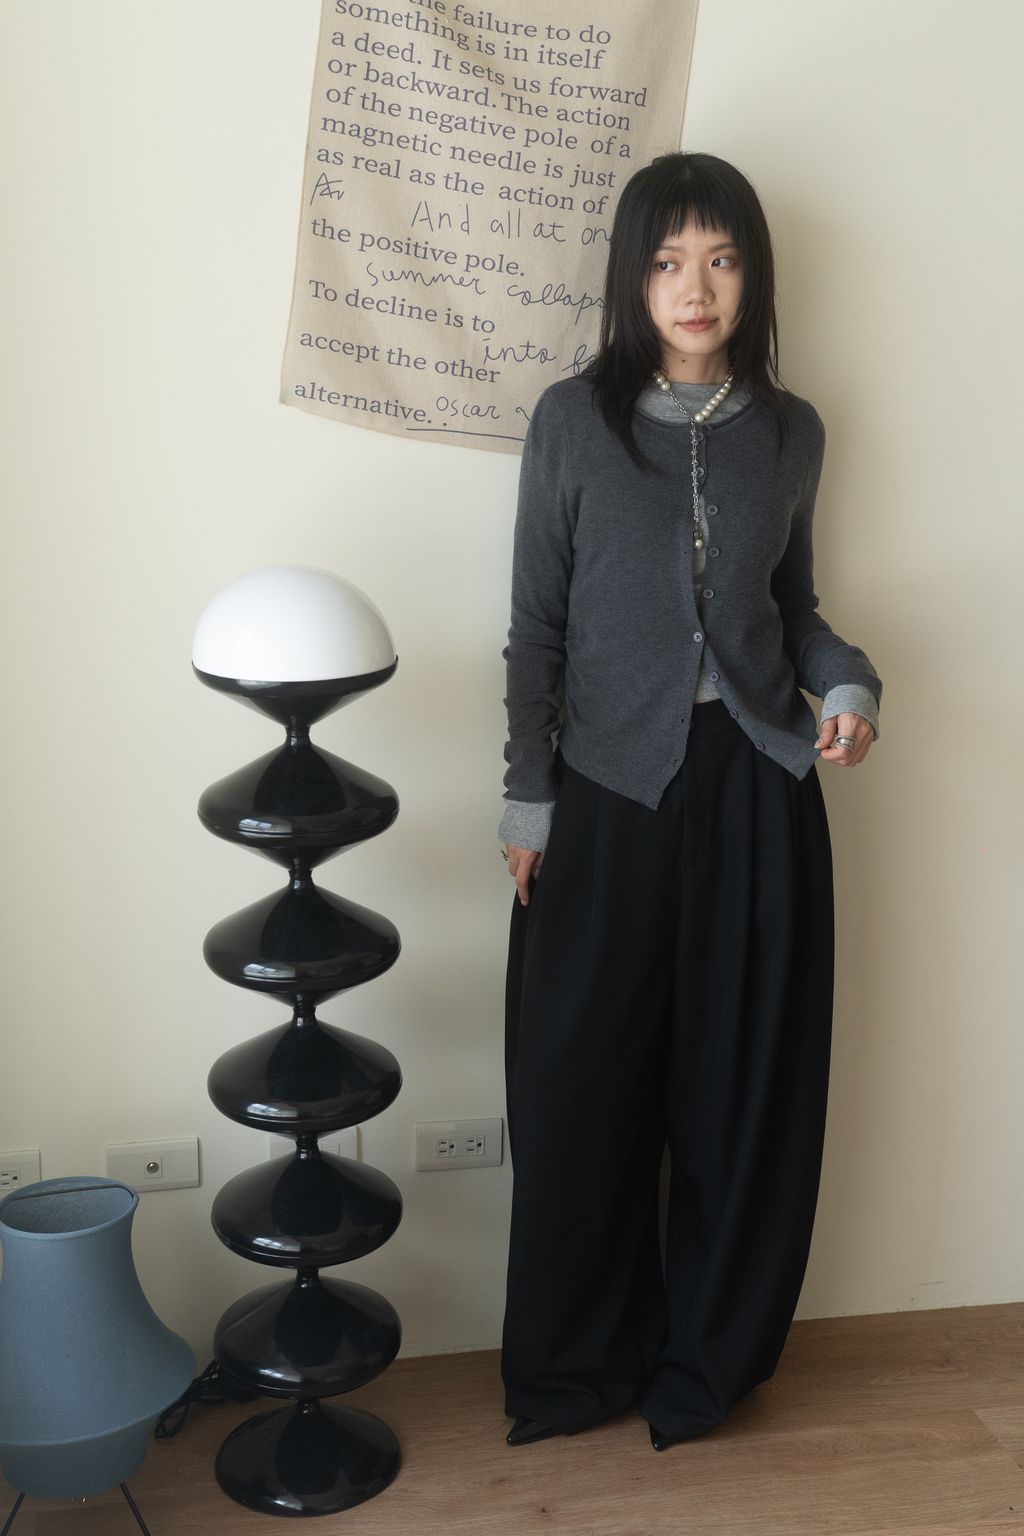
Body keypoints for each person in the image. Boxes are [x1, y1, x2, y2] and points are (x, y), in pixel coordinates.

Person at [497, 151, 881, 1452]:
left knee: (741, 1090)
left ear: (752, 274)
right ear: (634, 278)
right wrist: (528, 802)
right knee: (582, 1089)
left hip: (761, 789)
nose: (695, 287)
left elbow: (794, 610)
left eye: (720, 258)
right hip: (609, 791)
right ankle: (577, 1368)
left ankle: (707, 1362)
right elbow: (536, 632)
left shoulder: (792, 430)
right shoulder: (572, 422)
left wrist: (848, 682)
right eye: (668, 261)